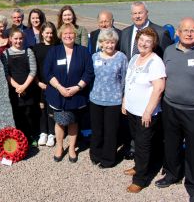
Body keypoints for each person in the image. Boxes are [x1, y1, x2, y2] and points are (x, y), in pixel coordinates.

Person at [155, 17, 194, 201]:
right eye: (185, 30)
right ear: (178, 33)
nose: (189, 33)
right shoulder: (170, 51)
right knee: (171, 145)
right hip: (171, 107)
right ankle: (173, 174)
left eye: (193, 30)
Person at [119, 1, 172, 159]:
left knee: (149, 130)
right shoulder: (126, 32)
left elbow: (166, 61)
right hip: (134, 88)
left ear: (146, 13)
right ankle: (136, 153)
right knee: (135, 128)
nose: (137, 16)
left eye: (140, 13)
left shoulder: (161, 32)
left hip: (151, 89)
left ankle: (151, 160)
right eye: (134, 13)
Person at [122, 27, 166, 193]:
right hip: (132, 109)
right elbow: (129, 81)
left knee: (142, 144)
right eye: (141, 40)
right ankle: (138, 166)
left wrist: (148, 111)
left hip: (146, 113)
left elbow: (159, 88)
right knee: (137, 140)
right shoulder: (134, 58)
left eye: (148, 41)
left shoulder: (155, 62)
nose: (143, 43)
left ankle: (140, 179)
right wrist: (125, 101)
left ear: (153, 44)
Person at [44, 23, 94, 163]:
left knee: (73, 121)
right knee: (60, 122)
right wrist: (59, 87)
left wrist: (77, 87)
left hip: (77, 94)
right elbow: (47, 72)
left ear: (75, 35)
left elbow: (89, 72)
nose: (68, 36)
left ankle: (72, 147)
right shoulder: (54, 51)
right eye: (65, 33)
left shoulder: (83, 52)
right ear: (61, 35)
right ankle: (59, 147)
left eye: (71, 33)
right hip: (57, 94)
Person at [89, 29, 128, 168]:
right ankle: (95, 154)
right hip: (96, 99)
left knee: (111, 132)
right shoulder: (94, 57)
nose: (110, 45)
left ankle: (108, 159)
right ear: (101, 43)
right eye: (107, 42)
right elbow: (90, 77)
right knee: (97, 130)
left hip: (114, 101)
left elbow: (125, 79)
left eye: (112, 42)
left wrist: (124, 98)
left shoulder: (121, 57)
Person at [3, 28, 38, 145]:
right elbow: (6, 73)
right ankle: (18, 137)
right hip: (13, 89)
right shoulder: (5, 54)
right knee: (16, 113)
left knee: (29, 113)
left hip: (28, 88)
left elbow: (33, 71)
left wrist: (24, 86)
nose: (18, 41)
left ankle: (31, 136)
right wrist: (17, 86)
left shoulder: (29, 52)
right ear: (11, 39)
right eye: (16, 39)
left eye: (20, 38)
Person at [32, 22, 58, 147]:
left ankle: (52, 134)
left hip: (54, 84)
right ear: (42, 33)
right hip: (40, 84)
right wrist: (38, 82)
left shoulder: (57, 47)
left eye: (51, 32)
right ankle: (43, 132)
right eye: (47, 32)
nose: (49, 35)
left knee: (51, 109)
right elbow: (33, 68)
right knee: (42, 109)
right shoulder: (36, 48)